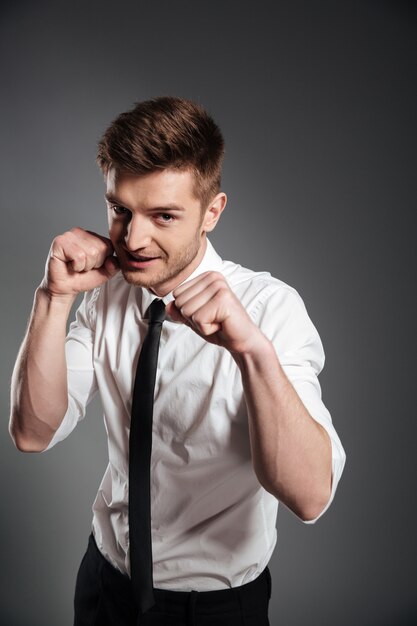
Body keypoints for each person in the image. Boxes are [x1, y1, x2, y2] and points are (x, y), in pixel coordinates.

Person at [9, 96, 346, 626]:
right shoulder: (107, 296)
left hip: (213, 609)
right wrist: (53, 299)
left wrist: (251, 351)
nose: (134, 239)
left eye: (163, 215)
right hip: (104, 584)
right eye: (120, 210)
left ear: (212, 211)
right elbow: (32, 431)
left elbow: (309, 497)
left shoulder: (269, 309)